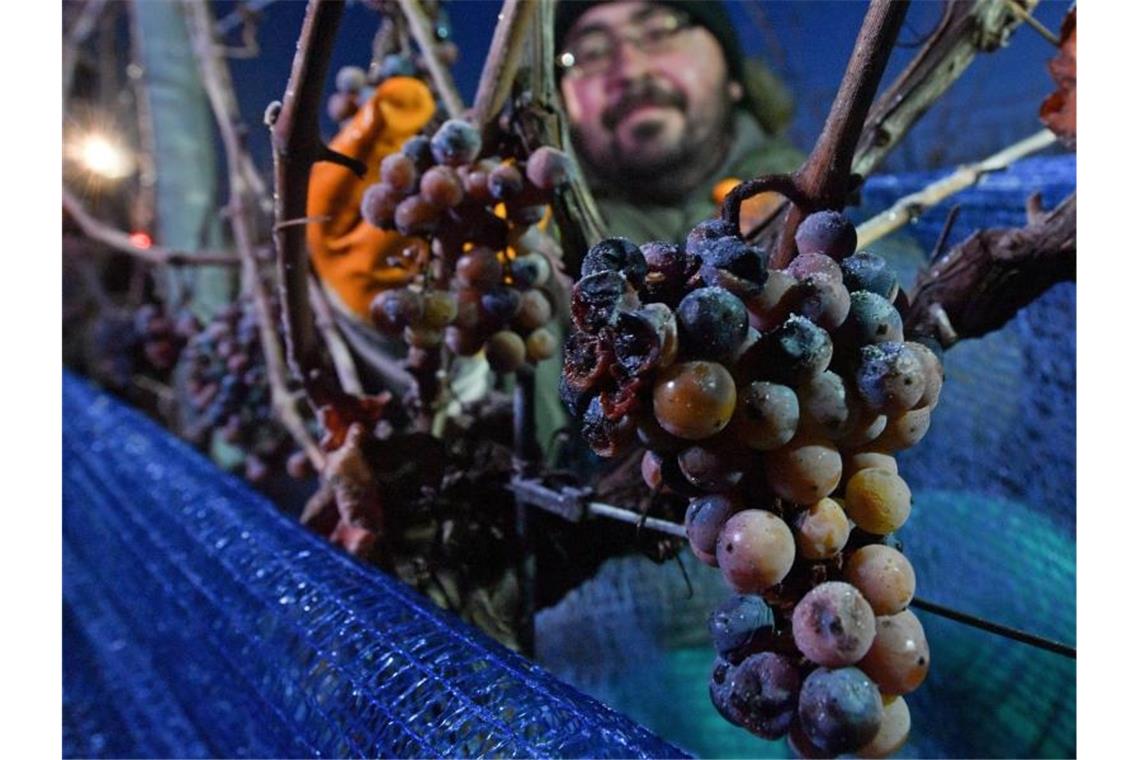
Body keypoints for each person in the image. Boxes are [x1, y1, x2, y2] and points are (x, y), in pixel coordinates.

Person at [554, 0, 804, 243]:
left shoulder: (828, 205)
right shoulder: (538, 247)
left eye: (659, 32)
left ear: (733, 77)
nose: (630, 70)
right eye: (591, 53)